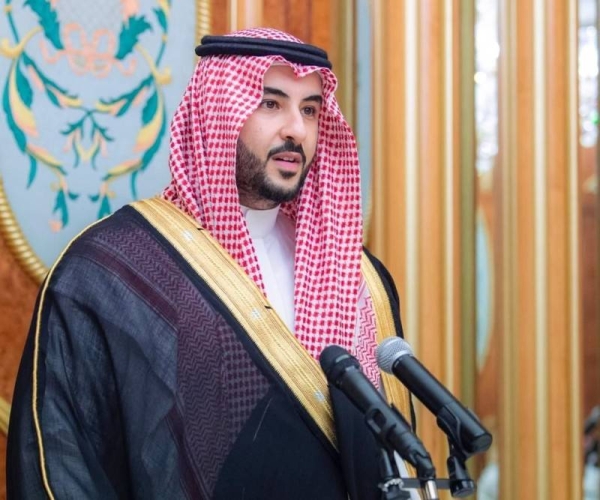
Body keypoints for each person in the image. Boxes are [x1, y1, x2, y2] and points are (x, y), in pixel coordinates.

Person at [7, 28, 416, 499]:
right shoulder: (113, 272)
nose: (296, 130)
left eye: (309, 109)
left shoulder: (359, 277)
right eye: (269, 103)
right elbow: (66, 456)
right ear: (216, 114)